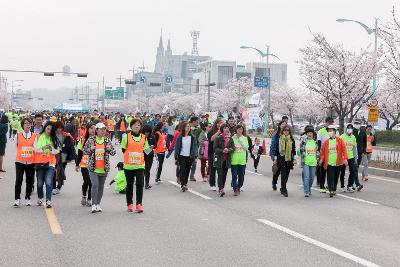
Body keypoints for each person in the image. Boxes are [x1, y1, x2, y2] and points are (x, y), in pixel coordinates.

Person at [83, 122, 116, 213]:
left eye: (104, 129)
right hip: (93, 168)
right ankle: (93, 204)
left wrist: (109, 149)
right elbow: (85, 151)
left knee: (101, 187)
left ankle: (98, 204)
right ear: (96, 130)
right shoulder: (91, 140)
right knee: (95, 185)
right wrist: (91, 149)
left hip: (104, 168)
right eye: (101, 129)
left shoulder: (107, 140)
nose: (103, 131)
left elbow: (113, 152)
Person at [121, 118, 149, 213]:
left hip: (140, 165)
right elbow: (123, 149)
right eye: (135, 124)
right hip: (128, 166)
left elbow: (146, 150)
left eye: (139, 125)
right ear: (131, 126)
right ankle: (130, 203)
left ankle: (139, 204)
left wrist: (153, 150)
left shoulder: (144, 137)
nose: (137, 126)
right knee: (129, 185)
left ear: (140, 127)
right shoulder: (126, 137)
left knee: (140, 184)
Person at [34, 121, 59, 208]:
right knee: (40, 183)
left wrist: (51, 148)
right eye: (48, 128)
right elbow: (36, 149)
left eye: (51, 129)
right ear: (45, 128)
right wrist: (43, 148)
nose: (49, 131)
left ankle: (48, 200)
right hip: (40, 163)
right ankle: (40, 197)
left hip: (50, 163)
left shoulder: (54, 138)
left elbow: (57, 151)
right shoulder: (39, 136)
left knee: (48, 182)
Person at [320, 125, 348, 198]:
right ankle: (331, 190)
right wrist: (321, 159)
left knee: (336, 177)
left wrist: (345, 158)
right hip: (329, 163)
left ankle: (334, 189)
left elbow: (344, 150)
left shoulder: (340, 140)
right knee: (330, 177)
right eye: (328, 131)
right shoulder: (326, 142)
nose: (330, 132)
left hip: (338, 163)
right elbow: (323, 153)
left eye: (331, 130)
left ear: (335, 132)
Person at [14, 118, 36, 207]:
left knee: (29, 181)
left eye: (29, 123)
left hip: (31, 162)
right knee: (19, 179)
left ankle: (28, 198)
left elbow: (35, 147)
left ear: (31, 125)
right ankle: (17, 199)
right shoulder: (18, 135)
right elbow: (16, 146)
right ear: (22, 125)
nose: (28, 125)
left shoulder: (34, 136)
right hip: (19, 161)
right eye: (26, 123)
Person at [75, 122, 96, 206]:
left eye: (94, 128)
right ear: (87, 129)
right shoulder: (82, 140)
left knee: (92, 182)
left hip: (94, 164)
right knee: (86, 181)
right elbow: (79, 153)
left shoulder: (98, 139)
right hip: (84, 164)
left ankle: (89, 199)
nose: (93, 130)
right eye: (91, 128)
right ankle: (84, 195)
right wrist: (77, 164)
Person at [174, 122, 198, 192]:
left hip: (190, 156)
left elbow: (195, 147)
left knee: (187, 170)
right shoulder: (180, 137)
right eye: (187, 126)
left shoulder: (192, 137)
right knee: (182, 170)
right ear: (183, 128)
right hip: (181, 156)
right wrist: (176, 157)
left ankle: (185, 183)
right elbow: (177, 147)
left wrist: (195, 157)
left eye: (189, 126)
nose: (188, 128)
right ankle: (183, 184)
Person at [53, 121, 75, 195]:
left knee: (61, 171)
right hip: (54, 156)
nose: (59, 129)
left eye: (61, 128)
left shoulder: (65, 134)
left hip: (63, 156)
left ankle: (58, 187)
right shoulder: (53, 135)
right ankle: (53, 186)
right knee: (53, 171)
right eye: (58, 128)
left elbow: (72, 141)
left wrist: (70, 136)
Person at [274, 125, 296, 197]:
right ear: (282, 131)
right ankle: (284, 189)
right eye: (285, 130)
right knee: (283, 174)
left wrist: (295, 158)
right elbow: (276, 150)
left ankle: (282, 187)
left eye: (287, 130)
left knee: (286, 175)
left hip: (289, 159)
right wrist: (275, 159)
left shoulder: (291, 140)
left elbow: (293, 151)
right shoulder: (279, 139)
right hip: (281, 159)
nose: (286, 131)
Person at [340, 124, 363, 192]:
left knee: (352, 171)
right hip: (343, 157)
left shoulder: (353, 137)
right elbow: (339, 148)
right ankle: (342, 186)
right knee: (342, 172)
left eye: (351, 128)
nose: (349, 129)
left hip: (351, 157)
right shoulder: (342, 137)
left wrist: (356, 158)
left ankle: (349, 186)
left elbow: (354, 148)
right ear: (345, 128)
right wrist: (342, 158)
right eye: (348, 128)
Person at [213, 124, 233, 197]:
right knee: (220, 174)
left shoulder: (230, 138)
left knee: (224, 175)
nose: (226, 129)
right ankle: (221, 189)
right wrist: (222, 150)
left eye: (227, 128)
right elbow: (215, 148)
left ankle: (222, 188)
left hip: (227, 160)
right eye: (225, 128)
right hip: (219, 159)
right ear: (222, 129)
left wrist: (229, 150)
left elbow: (232, 148)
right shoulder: (218, 138)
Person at [317, 117, 334, 193]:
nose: (330, 124)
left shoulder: (334, 131)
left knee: (331, 171)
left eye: (332, 122)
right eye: (329, 122)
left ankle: (329, 185)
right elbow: (319, 143)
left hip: (333, 154)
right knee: (323, 171)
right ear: (326, 122)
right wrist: (320, 153)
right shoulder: (321, 131)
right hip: (323, 153)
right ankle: (321, 186)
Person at [231, 124, 249, 196]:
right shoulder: (232, 138)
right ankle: (235, 189)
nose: (240, 130)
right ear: (236, 130)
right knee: (234, 175)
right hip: (234, 160)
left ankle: (239, 186)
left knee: (241, 176)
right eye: (238, 129)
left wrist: (240, 140)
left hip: (242, 160)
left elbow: (246, 148)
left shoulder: (245, 138)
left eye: (241, 129)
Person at [269, 121, 288, 191]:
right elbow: (273, 146)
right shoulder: (276, 135)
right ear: (279, 126)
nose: (283, 126)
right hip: (277, 156)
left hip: (286, 157)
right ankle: (274, 182)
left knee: (285, 172)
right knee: (277, 171)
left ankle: (283, 187)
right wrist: (273, 157)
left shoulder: (287, 134)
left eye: (285, 124)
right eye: (282, 124)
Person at [300, 126, 318, 197]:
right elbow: (301, 151)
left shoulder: (315, 142)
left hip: (313, 162)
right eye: (308, 133)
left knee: (312, 177)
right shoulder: (304, 142)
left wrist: (318, 159)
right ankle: (306, 191)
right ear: (306, 134)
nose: (309, 134)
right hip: (306, 162)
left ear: (313, 134)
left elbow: (318, 152)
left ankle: (309, 188)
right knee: (306, 177)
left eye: (311, 133)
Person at [207, 118, 224, 191]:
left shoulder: (225, 131)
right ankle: (212, 184)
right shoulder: (211, 131)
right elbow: (211, 139)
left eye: (221, 123)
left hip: (221, 153)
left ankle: (220, 185)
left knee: (220, 170)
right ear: (215, 123)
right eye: (218, 123)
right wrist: (218, 132)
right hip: (212, 153)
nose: (220, 125)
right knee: (213, 169)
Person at [142, 125, 155, 189]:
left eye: (148, 132)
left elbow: (155, 144)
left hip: (150, 155)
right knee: (141, 169)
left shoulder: (152, 137)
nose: (147, 133)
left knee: (147, 170)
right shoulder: (140, 137)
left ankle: (147, 183)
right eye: (146, 132)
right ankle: (139, 181)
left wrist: (152, 146)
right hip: (141, 155)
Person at [189, 116, 202, 182]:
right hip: (187, 147)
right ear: (193, 122)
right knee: (185, 162)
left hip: (195, 147)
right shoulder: (187, 126)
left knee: (194, 162)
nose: (198, 123)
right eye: (197, 122)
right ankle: (180, 176)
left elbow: (202, 137)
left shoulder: (199, 129)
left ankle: (192, 176)